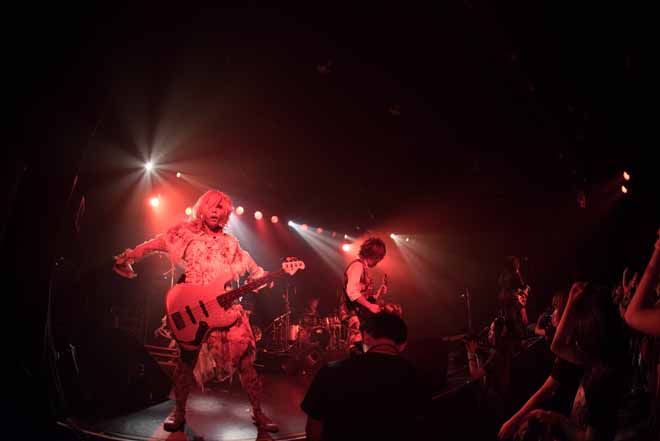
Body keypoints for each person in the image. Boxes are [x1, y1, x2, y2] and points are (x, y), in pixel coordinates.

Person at [112, 189, 278, 434]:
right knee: (185, 363)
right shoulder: (184, 234)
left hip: (224, 312)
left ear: (226, 214)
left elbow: (254, 269)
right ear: (202, 208)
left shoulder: (231, 244)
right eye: (211, 206)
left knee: (246, 363)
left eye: (220, 208)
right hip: (194, 310)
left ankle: (258, 412)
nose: (215, 211)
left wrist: (265, 278)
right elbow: (155, 244)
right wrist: (130, 256)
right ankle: (179, 412)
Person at [300, 313, 428, 441]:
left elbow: (313, 428)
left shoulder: (331, 371)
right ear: (403, 344)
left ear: (366, 337)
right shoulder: (417, 375)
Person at [339, 237, 387, 355]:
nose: (378, 262)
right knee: (357, 349)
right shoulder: (357, 266)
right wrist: (370, 306)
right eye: (379, 258)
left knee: (364, 349)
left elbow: (364, 297)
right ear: (374, 256)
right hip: (352, 315)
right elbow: (352, 291)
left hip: (359, 315)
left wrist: (379, 293)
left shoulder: (363, 267)